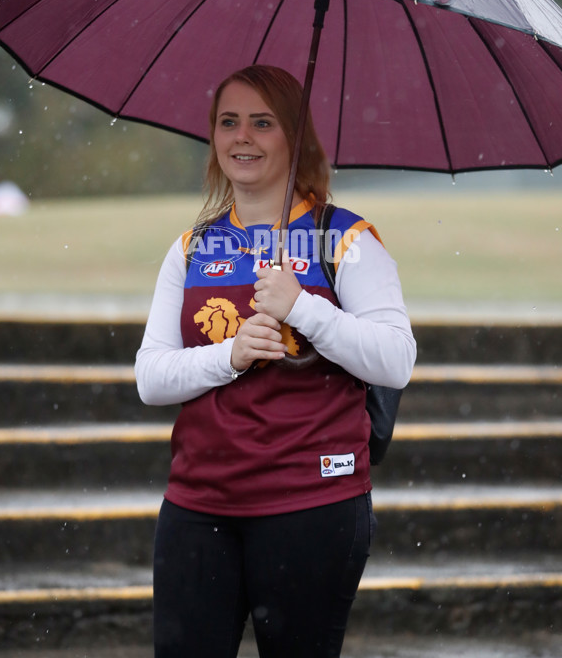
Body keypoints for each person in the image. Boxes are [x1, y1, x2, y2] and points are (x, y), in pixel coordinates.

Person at [135, 64, 416, 658]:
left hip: (312, 503)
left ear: (295, 136)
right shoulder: (191, 248)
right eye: (229, 122)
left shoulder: (346, 239)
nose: (243, 137)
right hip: (198, 504)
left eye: (263, 123)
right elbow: (152, 379)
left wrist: (304, 308)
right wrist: (230, 355)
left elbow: (395, 361)